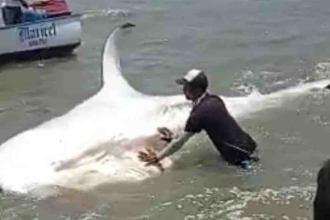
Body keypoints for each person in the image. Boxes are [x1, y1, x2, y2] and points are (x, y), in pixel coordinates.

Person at [139, 69, 258, 168]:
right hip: (249, 145)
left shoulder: (199, 113)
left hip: (239, 157)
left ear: (195, 89)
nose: (183, 89)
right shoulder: (215, 100)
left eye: (186, 86)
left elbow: (181, 142)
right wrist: (174, 137)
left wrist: (158, 157)